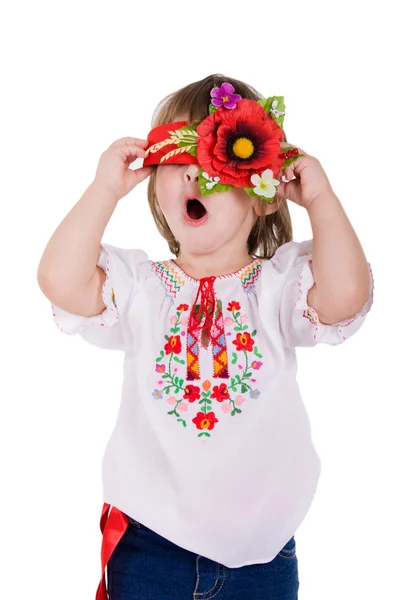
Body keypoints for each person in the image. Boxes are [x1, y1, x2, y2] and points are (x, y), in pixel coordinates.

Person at [37, 74, 374, 600]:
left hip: (263, 561)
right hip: (150, 550)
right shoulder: (142, 288)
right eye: (177, 160)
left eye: (220, 163)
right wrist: (103, 189)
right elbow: (60, 279)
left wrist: (323, 200)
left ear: (263, 195)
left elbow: (346, 294)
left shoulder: (278, 290)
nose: (195, 174)